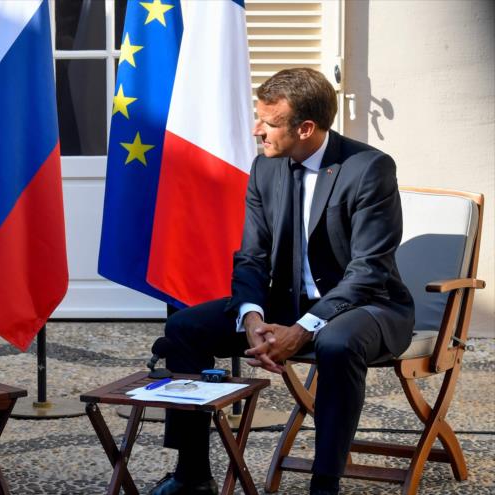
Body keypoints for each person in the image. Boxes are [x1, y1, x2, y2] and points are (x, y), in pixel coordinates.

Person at [148, 68, 414, 495]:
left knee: (336, 343)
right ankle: (192, 473)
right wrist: (251, 318)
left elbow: (369, 271)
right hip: (287, 303)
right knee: (184, 328)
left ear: (305, 128)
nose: (257, 130)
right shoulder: (264, 167)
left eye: (269, 123)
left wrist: (303, 330)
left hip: (368, 308)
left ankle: (324, 484)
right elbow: (252, 257)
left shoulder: (368, 169)